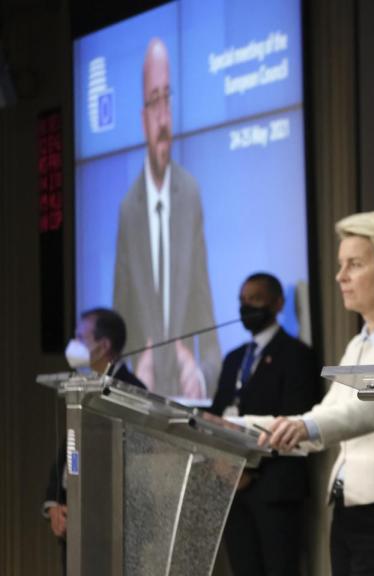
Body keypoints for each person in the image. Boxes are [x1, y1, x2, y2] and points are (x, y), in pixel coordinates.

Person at [249, 212, 374, 576]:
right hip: (349, 507)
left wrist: (305, 426)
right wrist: (239, 428)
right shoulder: (360, 342)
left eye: (354, 264)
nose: (340, 277)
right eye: (341, 265)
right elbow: (329, 411)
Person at [113, 36, 219, 399]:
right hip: (142, 397)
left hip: (187, 399)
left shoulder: (190, 193)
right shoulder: (128, 209)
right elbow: (118, 326)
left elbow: (208, 320)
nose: (162, 116)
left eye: (166, 98)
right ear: (143, 119)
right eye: (153, 101)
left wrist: (201, 375)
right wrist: (131, 371)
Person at [209, 273, 323, 576]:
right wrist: (226, 464)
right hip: (232, 486)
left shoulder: (297, 355)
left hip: (274, 488)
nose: (246, 307)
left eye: (255, 299)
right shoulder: (234, 359)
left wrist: (251, 470)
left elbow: (296, 418)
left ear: (277, 303)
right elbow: (218, 414)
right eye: (242, 301)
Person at [43, 308, 146, 572]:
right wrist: (55, 503)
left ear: (103, 346)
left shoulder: (132, 390)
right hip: (72, 517)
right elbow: (68, 451)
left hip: (109, 523)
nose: (73, 344)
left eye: (80, 336)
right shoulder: (81, 385)